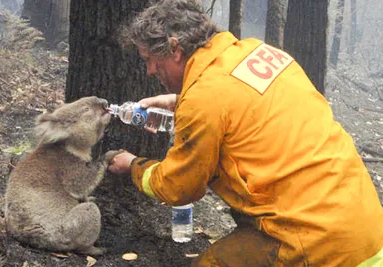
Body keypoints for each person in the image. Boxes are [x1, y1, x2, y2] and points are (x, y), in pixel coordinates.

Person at [108, 0, 383, 266]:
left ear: (175, 49)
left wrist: (133, 165)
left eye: (150, 60)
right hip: (366, 229)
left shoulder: (205, 99)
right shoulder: (258, 52)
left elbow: (179, 187)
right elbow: (244, 107)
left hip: (316, 243)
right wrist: (180, 102)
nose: (149, 70)